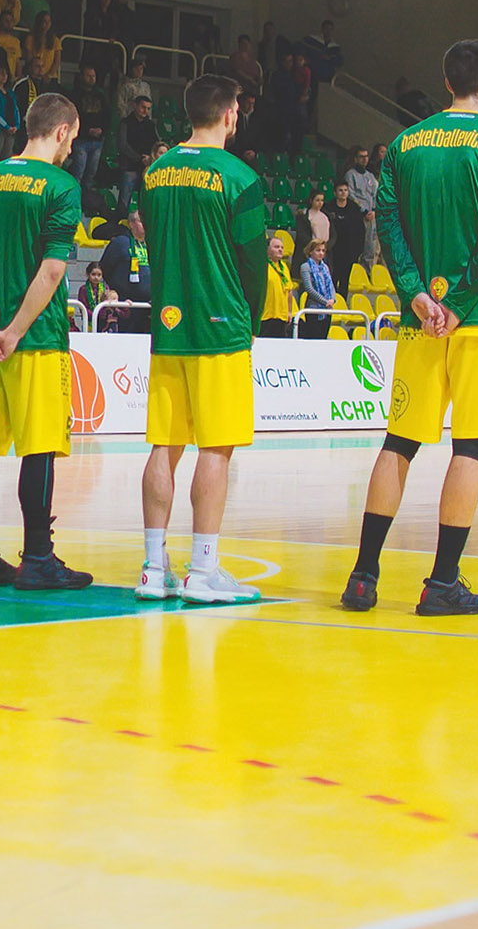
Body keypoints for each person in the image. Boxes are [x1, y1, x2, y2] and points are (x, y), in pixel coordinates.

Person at [346, 41, 478, 616]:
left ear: (447, 82)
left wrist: (415, 292)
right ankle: (442, 583)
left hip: (419, 319)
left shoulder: (404, 144)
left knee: (398, 442)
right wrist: (463, 301)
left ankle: (362, 577)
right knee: (470, 446)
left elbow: (388, 224)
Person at [132, 74, 267, 606]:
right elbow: (252, 262)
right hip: (220, 325)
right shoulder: (240, 177)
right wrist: (250, 320)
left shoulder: (156, 172)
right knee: (215, 447)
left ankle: (152, 567)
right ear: (230, 115)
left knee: (163, 445)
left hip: (169, 324)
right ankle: (203, 570)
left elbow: (154, 241)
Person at [0, 93, 93, 590]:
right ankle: (37, 558)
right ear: (61, 131)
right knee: (40, 448)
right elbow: (52, 270)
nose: (71, 148)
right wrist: (13, 333)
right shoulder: (61, 185)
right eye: (72, 138)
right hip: (33, 339)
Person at [298, 237, 340, 339]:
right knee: (314, 336)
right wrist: (325, 301)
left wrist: (332, 299)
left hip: (327, 310)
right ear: (310, 251)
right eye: (318, 250)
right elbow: (309, 289)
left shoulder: (325, 267)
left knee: (323, 337)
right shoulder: (305, 267)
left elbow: (330, 285)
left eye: (323, 250)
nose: (321, 253)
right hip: (313, 308)